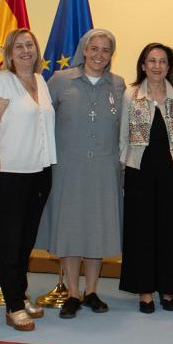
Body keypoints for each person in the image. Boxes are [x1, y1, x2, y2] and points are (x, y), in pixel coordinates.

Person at [39, 29, 124, 319]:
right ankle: (73, 293)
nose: (99, 55)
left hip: (105, 168)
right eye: (94, 48)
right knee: (71, 228)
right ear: (84, 50)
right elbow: (42, 119)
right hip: (68, 168)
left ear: (111, 55)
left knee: (97, 228)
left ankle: (92, 291)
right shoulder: (60, 80)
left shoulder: (118, 85)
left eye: (105, 50)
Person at [0, 29, 56, 331]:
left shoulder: (40, 81)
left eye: (30, 45)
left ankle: (20, 294)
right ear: (10, 53)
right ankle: (12, 306)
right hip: (11, 173)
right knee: (9, 242)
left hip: (40, 170)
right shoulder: (3, 82)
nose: (26, 51)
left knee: (26, 241)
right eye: (19, 47)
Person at [120, 43, 173, 313]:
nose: (157, 66)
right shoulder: (131, 95)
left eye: (163, 61)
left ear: (169, 66)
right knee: (141, 230)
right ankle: (145, 291)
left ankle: (168, 288)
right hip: (139, 169)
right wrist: (123, 170)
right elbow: (122, 136)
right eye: (152, 61)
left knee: (169, 229)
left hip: (171, 170)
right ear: (143, 65)